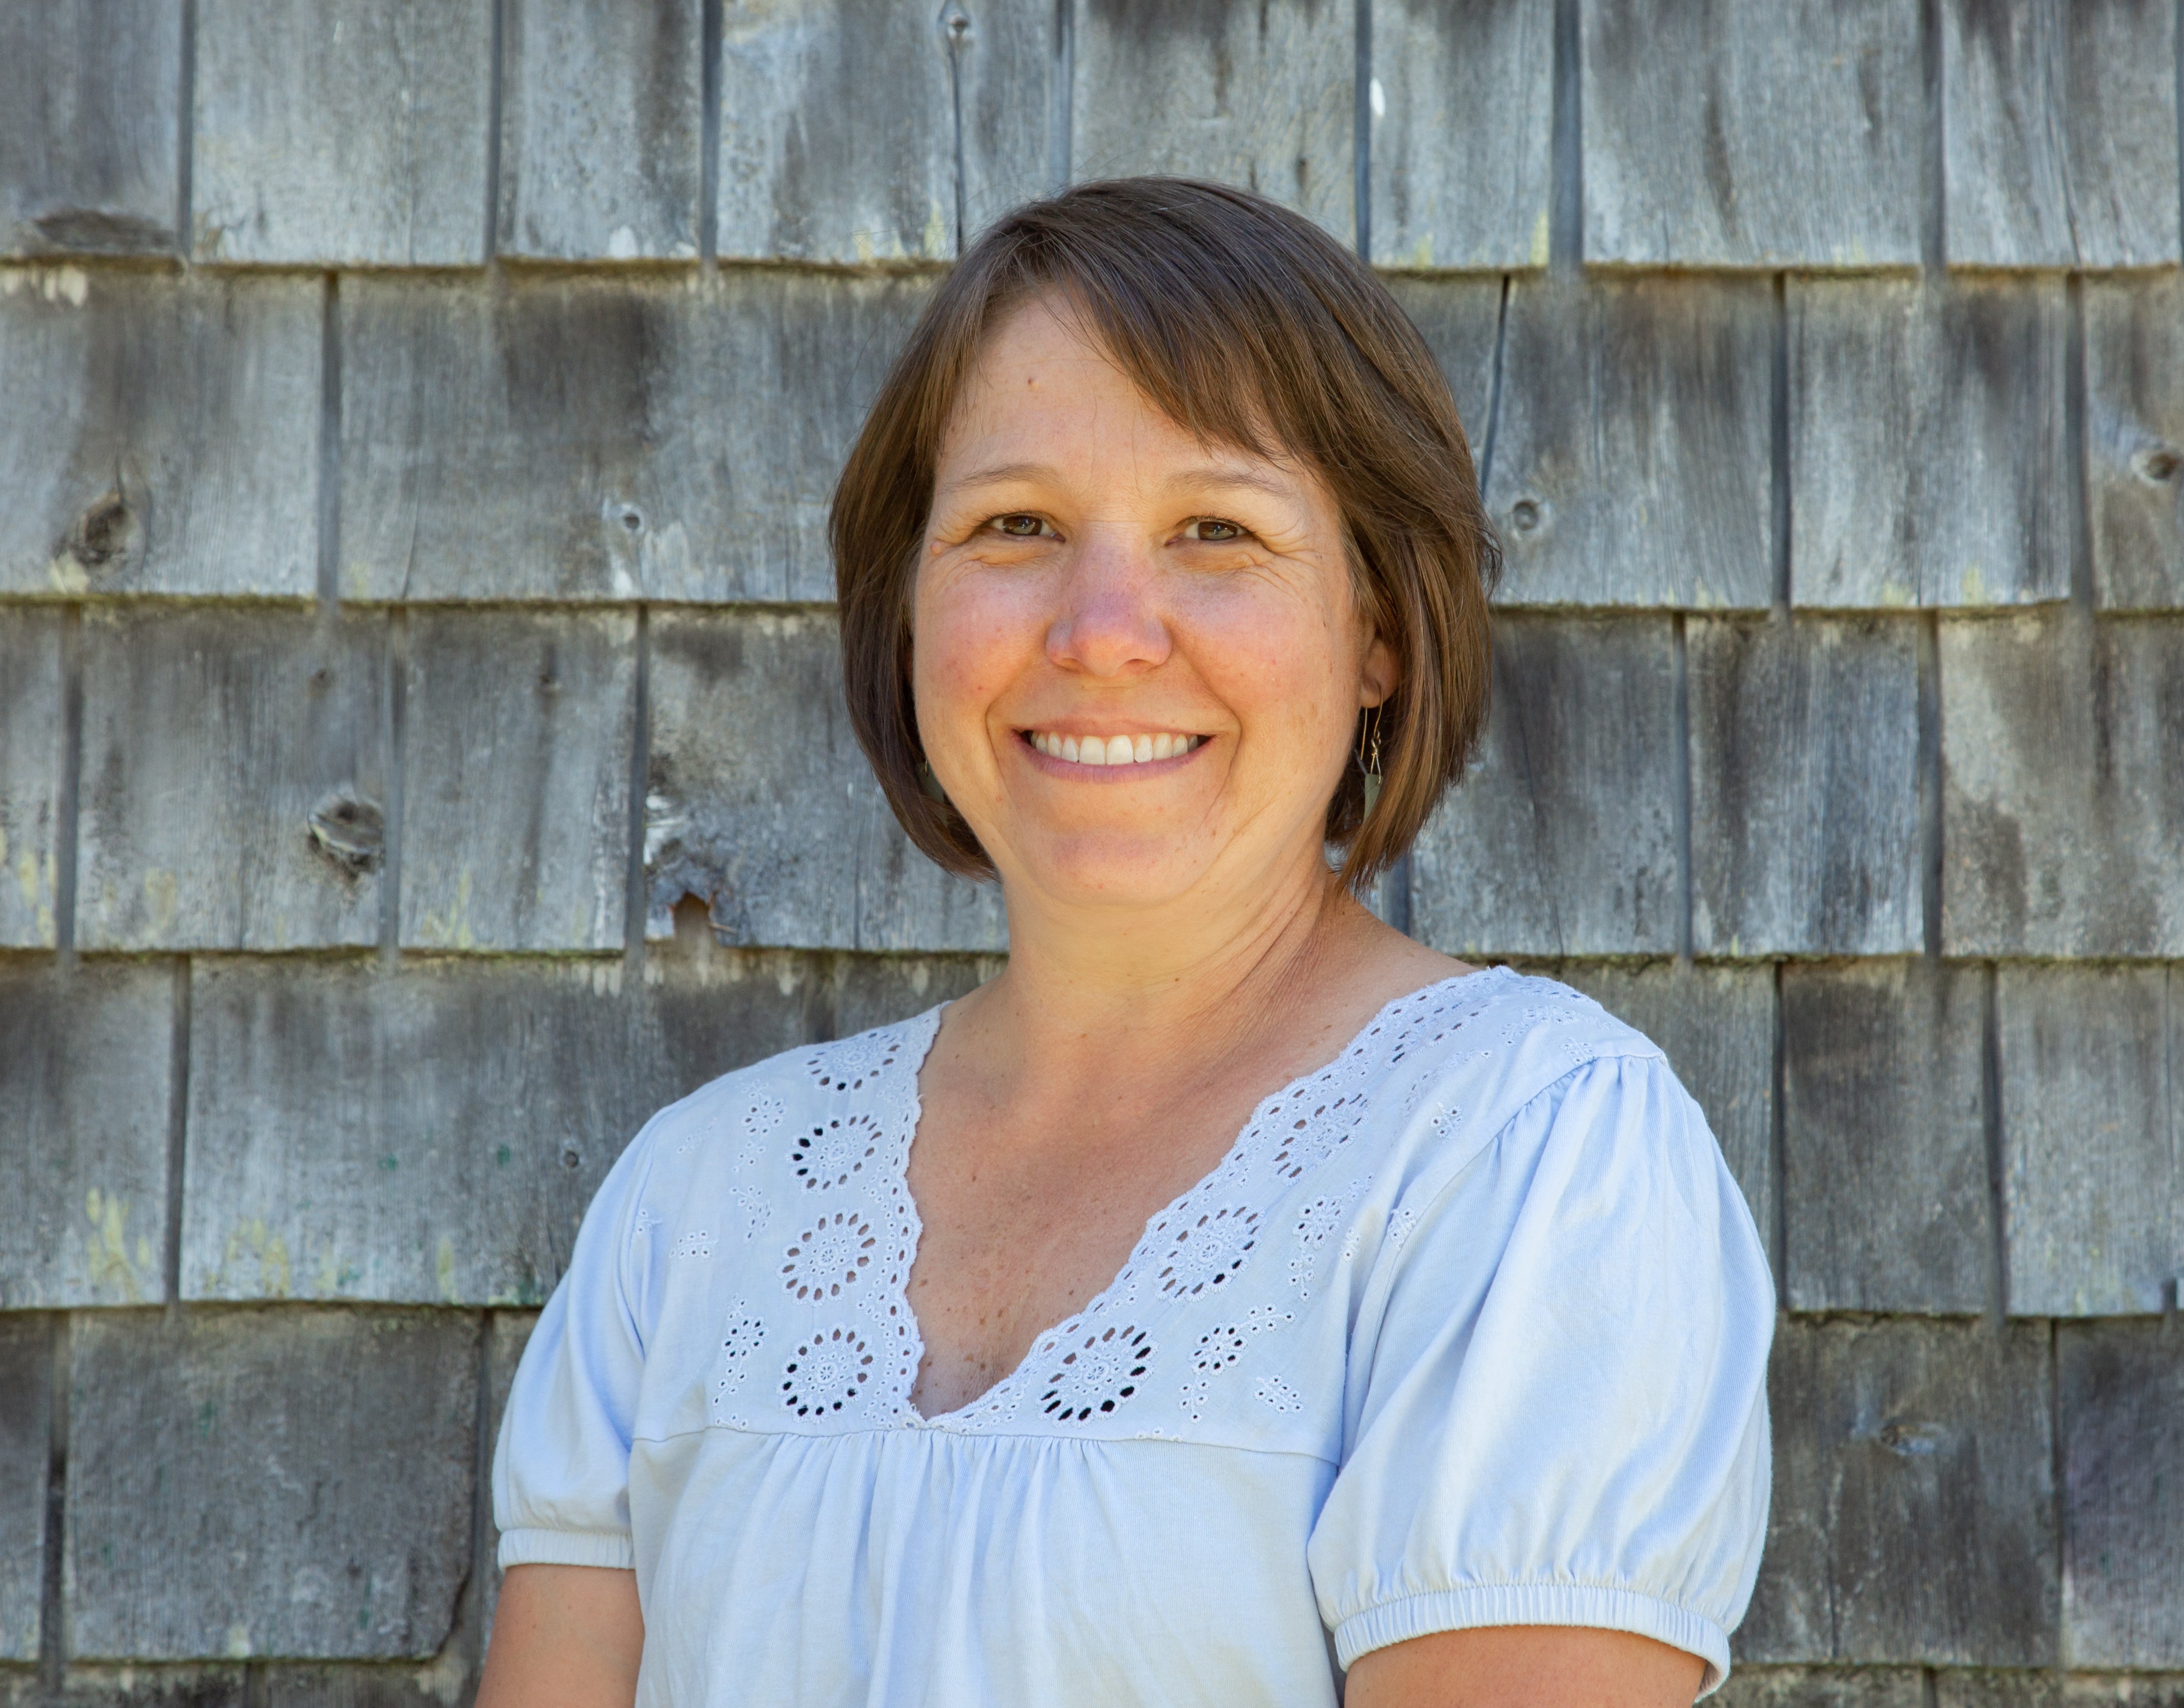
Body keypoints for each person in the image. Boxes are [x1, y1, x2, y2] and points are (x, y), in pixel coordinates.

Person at [478, 177, 1774, 1708]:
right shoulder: (694, 1201)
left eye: (1214, 531)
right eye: (1014, 525)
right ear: (910, 606)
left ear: (1378, 631)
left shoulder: (1518, 1154)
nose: (1102, 627)